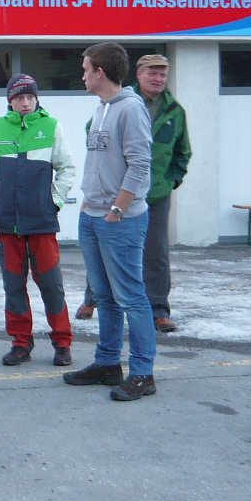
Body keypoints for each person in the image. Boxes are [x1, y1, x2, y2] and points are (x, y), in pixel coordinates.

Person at [64, 42, 157, 402]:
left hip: (120, 220)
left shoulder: (130, 109)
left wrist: (118, 209)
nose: (83, 76)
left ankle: (143, 374)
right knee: (105, 297)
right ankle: (107, 364)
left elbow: (140, 164)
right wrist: (89, 202)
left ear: (100, 72)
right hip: (93, 215)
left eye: (86, 69)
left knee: (131, 297)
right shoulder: (101, 108)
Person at [75, 54, 192, 334]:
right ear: (139, 74)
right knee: (102, 252)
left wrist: (170, 181)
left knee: (155, 254)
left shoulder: (174, 111)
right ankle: (91, 299)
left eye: (163, 74)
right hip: (114, 196)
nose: (158, 78)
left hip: (154, 195)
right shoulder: (115, 104)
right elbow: (95, 139)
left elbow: (182, 152)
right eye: (153, 73)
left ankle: (159, 310)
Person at [0, 73, 75, 368]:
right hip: (7, 222)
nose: (26, 102)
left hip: (41, 220)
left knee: (51, 284)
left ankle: (62, 343)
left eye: (30, 97)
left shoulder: (51, 126)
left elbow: (66, 168)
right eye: (19, 98)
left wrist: (54, 201)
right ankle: (20, 343)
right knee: (13, 285)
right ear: (10, 101)